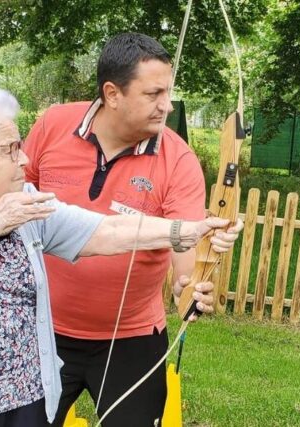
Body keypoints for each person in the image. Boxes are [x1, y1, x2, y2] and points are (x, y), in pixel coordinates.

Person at [0, 81, 239, 427]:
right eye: (10, 148)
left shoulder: (25, 199)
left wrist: (184, 230)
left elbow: (107, 229)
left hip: (27, 395)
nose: (24, 157)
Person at [23, 32, 245, 426]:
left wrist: (189, 283)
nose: (167, 104)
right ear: (112, 93)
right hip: (41, 329)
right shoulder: (53, 125)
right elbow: (14, 197)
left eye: (168, 91)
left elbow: (185, 251)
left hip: (132, 340)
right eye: (153, 93)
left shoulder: (177, 159)